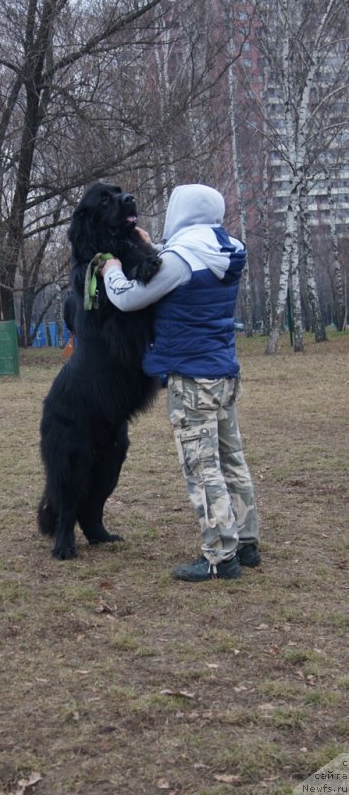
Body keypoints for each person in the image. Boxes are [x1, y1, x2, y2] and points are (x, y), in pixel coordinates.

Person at [100, 183, 260, 582]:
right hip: (223, 373)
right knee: (231, 460)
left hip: (191, 380)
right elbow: (180, 267)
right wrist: (153, 245)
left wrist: (110, 269)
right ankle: (245, 541)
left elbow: (128, 298)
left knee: (202, 467)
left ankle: (220, 557)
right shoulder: (228, 249)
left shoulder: (180, 259)